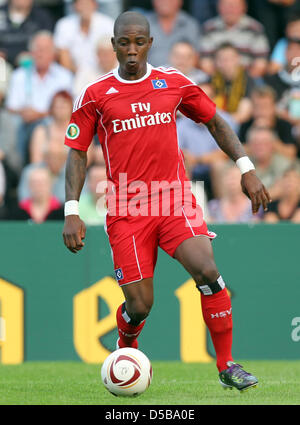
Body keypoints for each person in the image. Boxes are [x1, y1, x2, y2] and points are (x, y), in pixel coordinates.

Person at [62, 11, 271, 391]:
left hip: (173, 199)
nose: (131, 50)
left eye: (139, 42)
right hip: (127, 208)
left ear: (149, 43)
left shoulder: (172, 82)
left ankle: (227, 364)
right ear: (113, 45)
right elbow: (77, 152)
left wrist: (246, 167)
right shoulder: (94, 94)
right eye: (124, 43)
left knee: (207, 270)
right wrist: (72, 210)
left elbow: (216, 121)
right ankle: (127, 345)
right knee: (140, 305)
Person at [5, 31, 73, 164]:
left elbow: (69, 108)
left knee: (42, 127)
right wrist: (24, 113)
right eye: (37, 50)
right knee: (12, 123)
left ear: (53, 54)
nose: (40, 54)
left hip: (52, 120)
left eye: (45, 50)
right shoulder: (19, 75)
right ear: (31, 53)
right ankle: (16, 165)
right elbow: (10, 107)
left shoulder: (64, 76)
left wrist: (39, 114)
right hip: (24, 121)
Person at [199, 0, 270, 78]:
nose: (230, 9)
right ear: (219, 7)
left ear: (244, 8)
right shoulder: (209, 28)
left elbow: (261, 63)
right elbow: (205, 62)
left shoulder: (255, 28)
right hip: (216, 81)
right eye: (226, 6)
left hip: (247, 80)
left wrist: (245, 84)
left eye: (234, 6)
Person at [146, 0, 200, 67]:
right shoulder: (142, 24)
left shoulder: (190, 25)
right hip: (148, 75)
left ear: (180, 1)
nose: (165, 1)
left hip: (181, 75)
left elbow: (196, 57)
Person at [0, 0, 54, 67]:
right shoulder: (1, 12)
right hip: (3, 63)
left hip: (33, 65)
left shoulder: (42, 17)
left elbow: (48, 45)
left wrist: (32, 55)